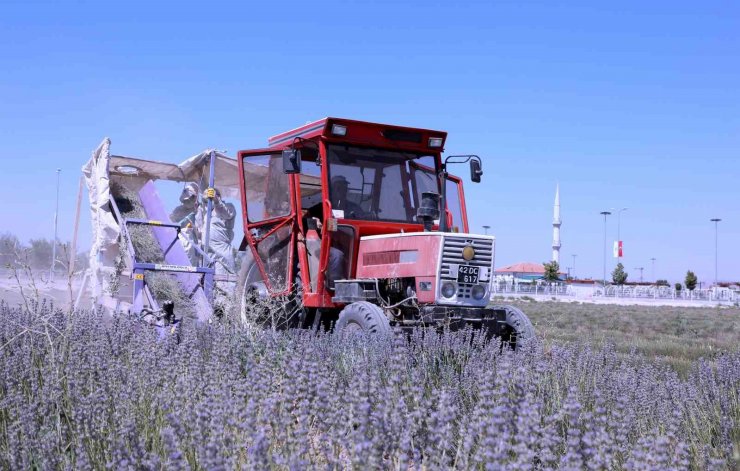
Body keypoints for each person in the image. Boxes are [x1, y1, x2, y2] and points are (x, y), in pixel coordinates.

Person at [196, 187, 237, 275]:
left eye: (209, 200)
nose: (207, 203)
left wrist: (216, 201)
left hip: (221, 254)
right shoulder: (207, 214)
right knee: (207, 283)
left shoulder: (228, 207)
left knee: (223, 282)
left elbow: (227, 214)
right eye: (205, 201)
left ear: (218, 196)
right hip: (207, 253)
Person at [170, 182, 200, 265]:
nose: (188, 201)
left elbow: (201, 230)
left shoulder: (199, 210)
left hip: (193, 244)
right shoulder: (178, 210)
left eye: (191, 198)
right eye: (186, 200)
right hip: (179, 241)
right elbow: (170, 224)